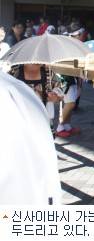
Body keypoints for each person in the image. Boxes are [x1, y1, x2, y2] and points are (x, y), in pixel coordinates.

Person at [0, 71, 62, 204]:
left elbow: (60, 91)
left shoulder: (49, 73)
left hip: (43, 120)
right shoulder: (14, 75)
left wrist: (56, 96)